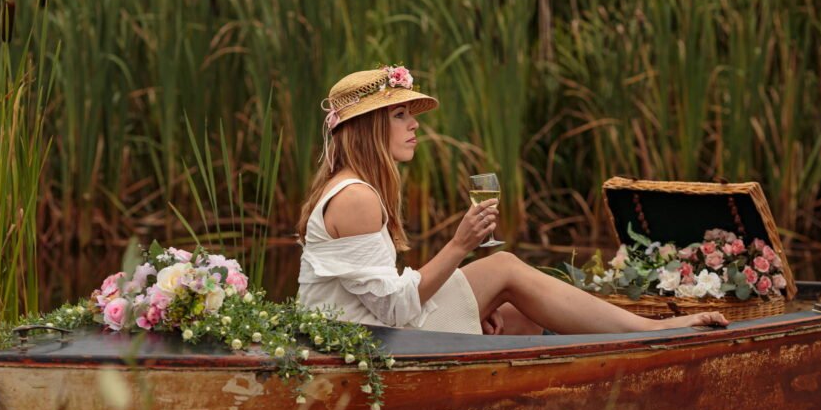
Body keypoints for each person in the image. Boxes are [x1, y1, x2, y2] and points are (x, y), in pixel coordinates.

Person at [297, 65, 729, 335]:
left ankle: (547, 392)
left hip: (374, 326)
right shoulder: (357, 197)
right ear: (368, 126)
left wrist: (475, 300)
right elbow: (392, 308)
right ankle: (653, 330)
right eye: (400, 115)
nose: (414, 125)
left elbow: (382, 296)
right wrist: (460, 244)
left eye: (410, 114)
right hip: (364, 343)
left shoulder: (352, 186)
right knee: (502, 267)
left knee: (518, 313)